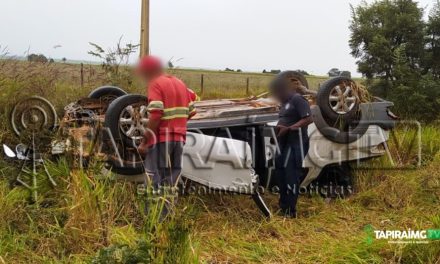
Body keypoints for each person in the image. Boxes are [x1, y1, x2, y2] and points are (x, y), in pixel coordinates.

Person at [136, 56, 197, 215]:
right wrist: (177, 124)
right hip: (179, 141)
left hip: (161, 141)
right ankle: (167, 218)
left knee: (153, 179)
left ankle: (153, 221)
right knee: (171, 179)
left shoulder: (155, 84)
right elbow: (192, 111)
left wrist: (144, 143)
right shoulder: (180, 83)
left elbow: (156, 114)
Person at [270, 78, 313, 218]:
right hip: (283, 142)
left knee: (290, 176)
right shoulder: (284, 103)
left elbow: (308, 119)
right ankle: (283, 207)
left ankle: (290, 212)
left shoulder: (297, 99)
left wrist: (289, 128)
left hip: (296, 143)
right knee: (280, 175)